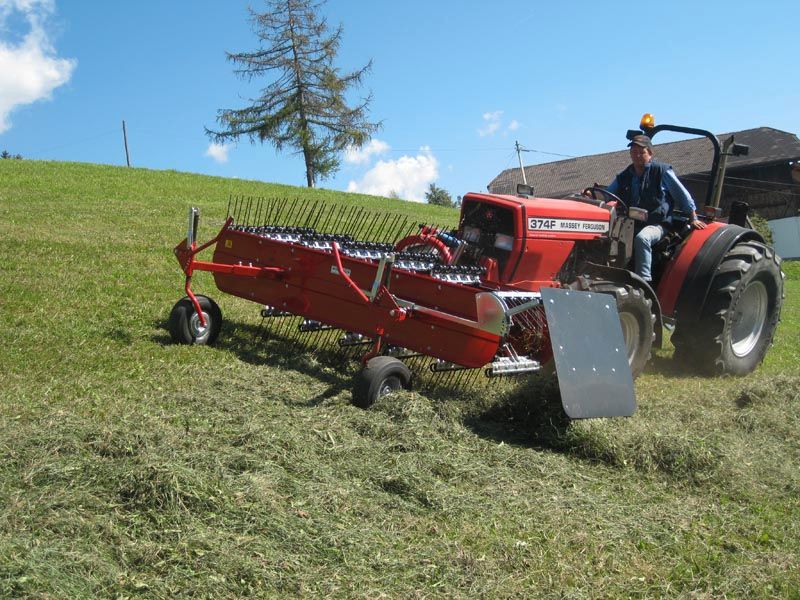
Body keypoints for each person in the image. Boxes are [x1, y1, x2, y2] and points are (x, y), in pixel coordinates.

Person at [603, 134, 706, 282]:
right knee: (605, 237)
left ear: (650, 153)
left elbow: (682, 195)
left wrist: (693, 218)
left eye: (641, 152)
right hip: (631, 223)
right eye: (634, 152)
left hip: (657, 224)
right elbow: (608, 194)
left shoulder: (662, 171)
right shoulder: (625, 175)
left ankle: (643, 281)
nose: (637, 155)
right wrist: (591, 196)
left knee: (642, 238)